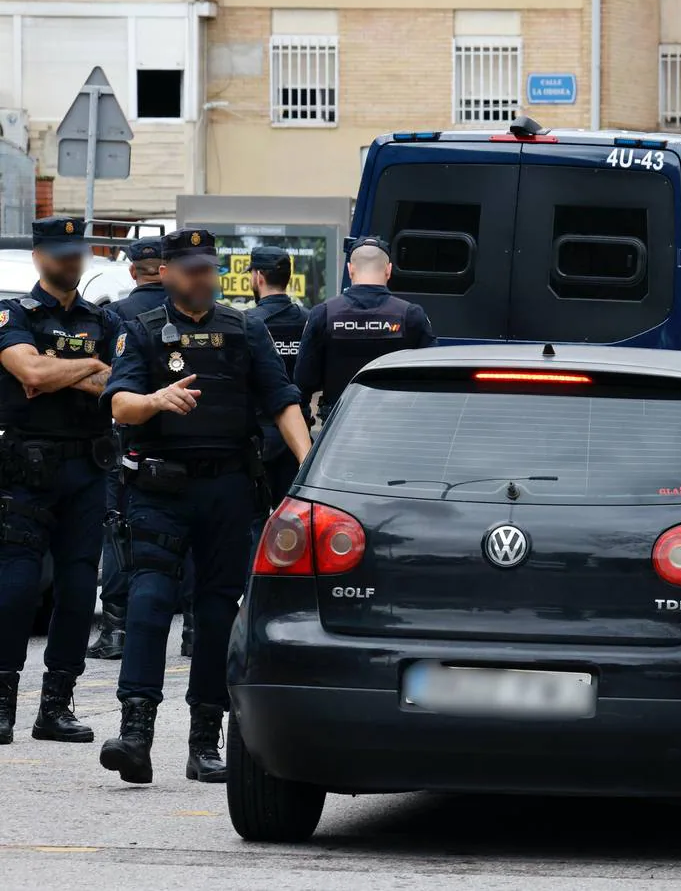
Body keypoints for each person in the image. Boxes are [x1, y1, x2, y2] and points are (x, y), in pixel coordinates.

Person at [99, 228, 311, 784]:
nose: (201, 277)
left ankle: (204, 741)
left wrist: (310, 468)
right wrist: (155, 400)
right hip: (158, 489)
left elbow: (283, 401)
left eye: (208, 267)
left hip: (227, 490)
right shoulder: (140, 331)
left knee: (217, 612)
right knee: (148, 601)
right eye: (190, 268)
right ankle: (136, 734)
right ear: (165, 272)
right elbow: (119, 403)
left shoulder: (246, 329)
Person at [0, 216, 122, 746]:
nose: (71, 260)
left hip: (86, 469)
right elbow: (31, 375)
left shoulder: (104, 320)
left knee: (76, 590)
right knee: (17, 588)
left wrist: (63, 368)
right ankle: (2, 703)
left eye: (77, 251)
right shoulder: (14, 314)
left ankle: (56, 706)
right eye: (60, 251)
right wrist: (83, 368)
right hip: (25, 470)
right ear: (39, 256)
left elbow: (118, 382)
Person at [90, 239, 196, 661]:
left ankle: (115, 629)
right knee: (190, 533)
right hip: (188, 439)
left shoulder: (116, 316)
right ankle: (192, 630)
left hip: (130, 438)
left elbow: (104, 380)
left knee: (120, 530)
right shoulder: (189, 315)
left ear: (135, 272)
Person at [293, 236, 435, 426]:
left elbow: (304, 380)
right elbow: (431, 376)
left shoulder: (323, 314)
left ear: (350, 269)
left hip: (339, 427)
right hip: (397, 425)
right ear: (389, 270)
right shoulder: (411, 315)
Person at [245, 246, 309, 546]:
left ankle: (252, 587)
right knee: (294, 518)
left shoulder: (246, 324)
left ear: (258, 277)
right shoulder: (309, 320)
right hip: (299, 436)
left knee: (254, 519)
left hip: (257, 437)